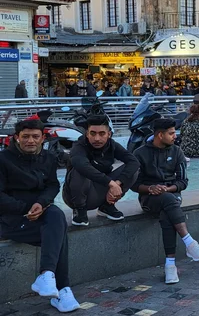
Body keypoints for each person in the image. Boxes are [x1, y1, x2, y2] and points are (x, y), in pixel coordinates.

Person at [0, 120, 81, 312]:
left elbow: (52, 184)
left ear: (42, 138)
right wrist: (24, 209)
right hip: (10, 219)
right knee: (58, 231)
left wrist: (41, 203)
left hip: (40, 213)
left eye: (35, 137)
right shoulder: (3, 160)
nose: (30, 141)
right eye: (25, 136)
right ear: (16, 138)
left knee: (55, 214)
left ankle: (47, 275)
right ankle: (63, 288)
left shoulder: (48, 157)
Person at [133, 118, 199, 284]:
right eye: (171, 133)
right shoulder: (140, 153)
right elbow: (134, 184)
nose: (175, 136)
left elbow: (182, 182)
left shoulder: (177, 152)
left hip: (172, 196)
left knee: (167, 210)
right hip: (149, 198)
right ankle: (188, 243)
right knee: (168, 203)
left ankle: (170, 265)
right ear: (160, 135)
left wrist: (168, 189)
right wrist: (150, 189)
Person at [63, 114, 139, 226]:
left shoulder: (112, 145)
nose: (97, 138)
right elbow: (81, 165)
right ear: (87, 134)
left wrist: (118, 183)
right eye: (93, 133)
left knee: (134, 171)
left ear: (109, 134)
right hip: (75, 196)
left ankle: (107, 206)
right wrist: (111, 183)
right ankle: (79, 211)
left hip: (100, 192)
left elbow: (134, 162)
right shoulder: (79, 146)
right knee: (80, 170)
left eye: (102, 133)